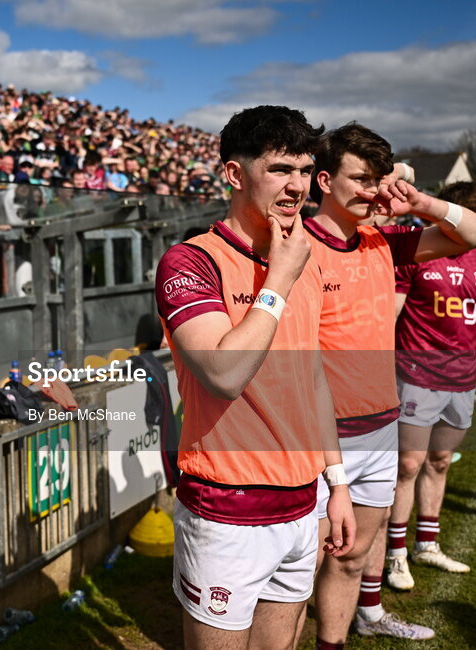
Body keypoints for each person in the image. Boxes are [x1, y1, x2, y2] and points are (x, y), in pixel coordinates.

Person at [154, 105, 354, 649]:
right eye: (279, 170)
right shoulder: (191, 262)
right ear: (234, 174)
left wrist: (336, 486)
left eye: (305, 171)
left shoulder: (300, 257)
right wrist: (279, 281)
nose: (297, 187)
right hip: (227, 508)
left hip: (302, 504)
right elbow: (224, 373)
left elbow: (312, 381)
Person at [304, 127, 476, 644]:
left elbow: (475, 235)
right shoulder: (294, 246)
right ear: (324, 180)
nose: (371, 191)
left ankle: (339, 638)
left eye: (376, 181)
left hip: (379, 426)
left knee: (355, 559)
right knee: (299, 574)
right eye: (359, 180)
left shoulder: (383, 242)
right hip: (319, 435)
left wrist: (422, 200)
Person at [386, 181, 476, 591]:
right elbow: (389, 316)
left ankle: (427, 544)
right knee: (407, 465)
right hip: (416, 377)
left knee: (440, 461)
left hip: (462, 379)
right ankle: (394, 555)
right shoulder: (417, 255)